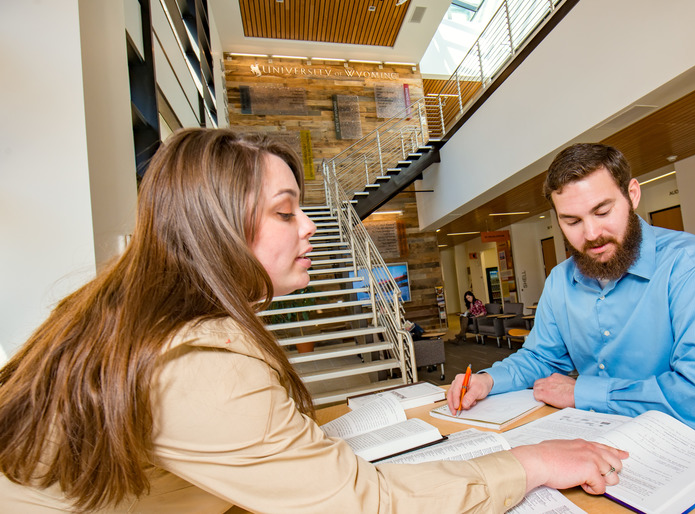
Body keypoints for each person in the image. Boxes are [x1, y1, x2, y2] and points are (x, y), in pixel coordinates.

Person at [0, 129, 627, 512]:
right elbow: (366, 504)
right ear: (219, 228)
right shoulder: (199, 362)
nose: (308, 227)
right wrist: (534, 463)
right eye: (285, 212)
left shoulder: (150, 314)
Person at [446, 143, 695, 512]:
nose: (592, 234)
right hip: (608, 448)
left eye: (603, 211)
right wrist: (489, 380)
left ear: (632, 195)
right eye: (572, 222)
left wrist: (585, 392)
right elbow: (539, 358)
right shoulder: (559, 281)